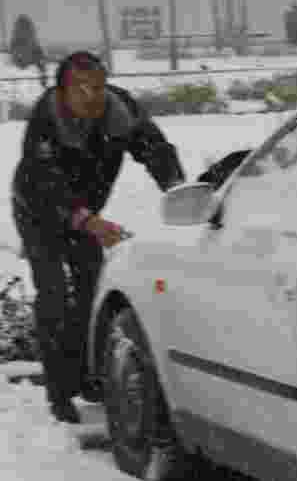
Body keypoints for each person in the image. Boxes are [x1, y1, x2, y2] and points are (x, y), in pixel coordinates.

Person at [11, 51, 186, 423]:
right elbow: (46, 183)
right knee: (54, 294)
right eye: (81, 88)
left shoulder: (120, 112)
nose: (92, 95)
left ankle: (88, 379)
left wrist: (177, 190)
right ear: (61, 91)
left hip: (85, 213)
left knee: (92, 292)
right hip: (39, 213)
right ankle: (58, 392)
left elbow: (155, 150)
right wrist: (87, 220)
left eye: (99, 86)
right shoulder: (47, 119)